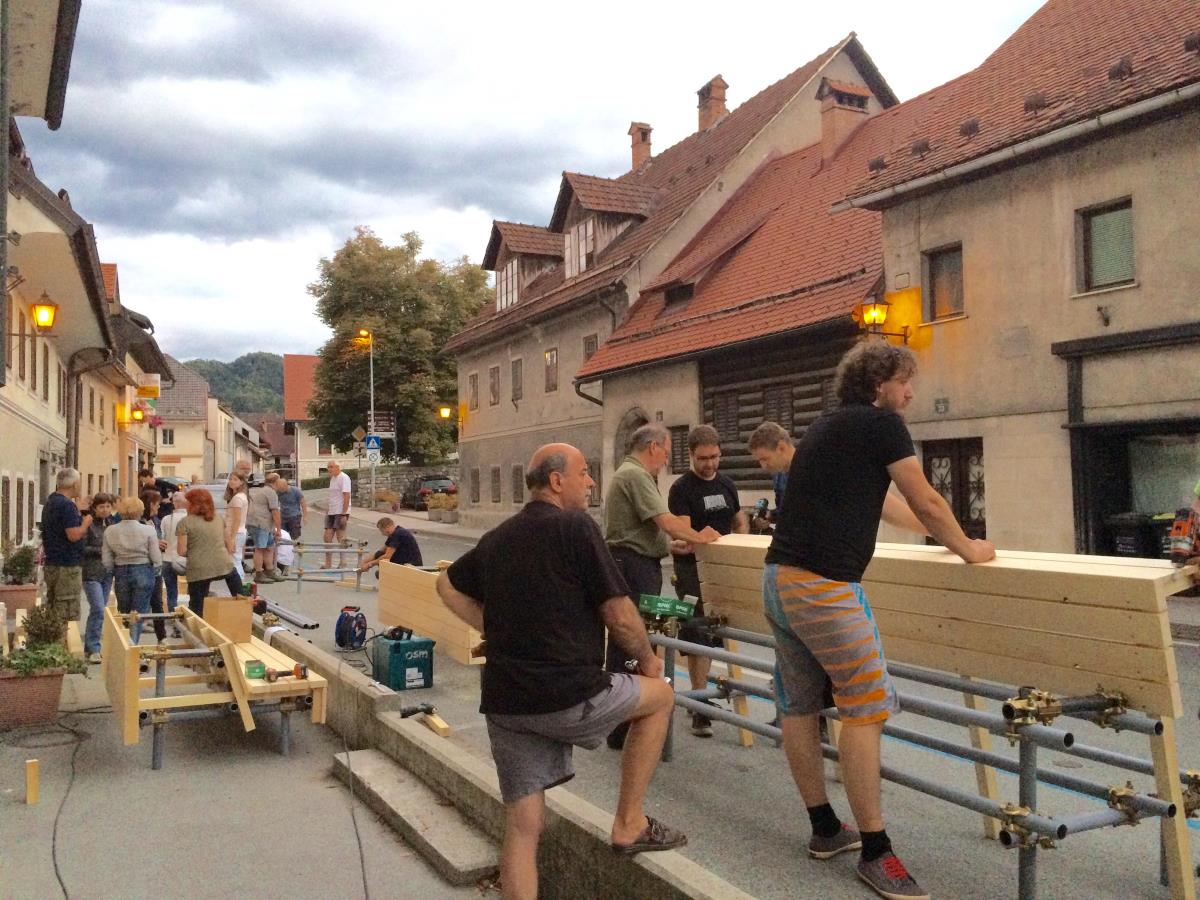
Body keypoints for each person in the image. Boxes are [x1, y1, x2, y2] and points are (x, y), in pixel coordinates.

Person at [764, 341, 995, 900]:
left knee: (799, 706)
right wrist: (968, 547)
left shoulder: (826, 427)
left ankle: (825, 829)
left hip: (780, 580)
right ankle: (876, 852)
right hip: (824, 587)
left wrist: (932, 534)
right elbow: (927, 499)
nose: (910, 393)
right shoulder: (881, 425)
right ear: (878, 385)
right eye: (904, 381)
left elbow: (887, 504)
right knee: (865, 709)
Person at [437, 444, 685, 900]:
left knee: (523, 826)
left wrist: (491, 626)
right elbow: (619, 614)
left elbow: (445, 583)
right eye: (584, 473)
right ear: (556, 481)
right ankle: (630, 822)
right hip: (567, 694)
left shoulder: (499, 537)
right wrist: (650, 664)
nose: (590, 483)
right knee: (662, 698)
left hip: (506, 705)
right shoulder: (576, 526)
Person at [602, 422, 721, 749]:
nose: (666, 460)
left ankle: (623, 723)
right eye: (666, 452)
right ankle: (623, 726)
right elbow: (665, 521)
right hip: (634, 568)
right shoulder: (635, 475)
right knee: (633, 642)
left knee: (634, 642)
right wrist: (699, 537)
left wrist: (670, 547)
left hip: (635, 563)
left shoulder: (631, 473)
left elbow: (639, 532)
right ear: (653, 447)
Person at [667, 425, 748, 736]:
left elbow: (739, 519)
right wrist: (697, 540)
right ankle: (699, 705)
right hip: (691, 570)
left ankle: (701, 700)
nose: (710, 464)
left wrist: (741, 544)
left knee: (716, 632)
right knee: (697, 633)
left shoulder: (727, 484)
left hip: (722, 568)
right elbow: (684, 535)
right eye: (703, 458)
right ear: (691, 455)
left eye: (714, 457)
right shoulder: (682, 489)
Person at [102, 495, 162, 645]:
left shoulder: (110, 531)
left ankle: (126, 642)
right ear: (140, 511)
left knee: (125, 611)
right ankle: (133, 644)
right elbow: (155, 556)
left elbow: (107, 559)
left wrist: (112, 570)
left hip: (121, 570)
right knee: (138, 613)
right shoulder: (148, 530)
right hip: (143, 569)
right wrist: (157, 569)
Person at [41, 467, 93, 638]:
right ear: (74, 484)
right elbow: (73, 535)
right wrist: (85, 524)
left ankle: (52, 643)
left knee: (53, 606)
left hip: (52, 563)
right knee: (65, 610)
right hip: (67, 566)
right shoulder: (67, 505)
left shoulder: (51, 501)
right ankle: (61, 645)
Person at [177, 487, 243, 614]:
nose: (185, 504)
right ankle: (245, 607)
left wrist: (198, 551)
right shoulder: (218, 518)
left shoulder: (184, 523)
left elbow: (181, 551)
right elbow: (230, 546)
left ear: (193, 504)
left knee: (197, 608)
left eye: (187, 502)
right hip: (223, 564)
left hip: (198, 569)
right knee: (238, 590)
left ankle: (199, 621)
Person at [80, 492, 117, 663]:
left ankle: (90, 647)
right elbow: (82, 548)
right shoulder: (88, 524)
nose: (105, 510)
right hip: (91, 573)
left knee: (99, 610)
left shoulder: (112, 523)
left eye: (108, 506)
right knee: (98, 609)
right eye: (101, 507)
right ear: (94, 508)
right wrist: (102, 550)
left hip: (107, 572)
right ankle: (94, 647)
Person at [748, 420, 795, 517]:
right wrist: (769, 516)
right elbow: (784, 511)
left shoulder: (812, 470)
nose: (763, 466)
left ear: (781, 448)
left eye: (765, 459)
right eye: (760, 460)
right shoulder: (778, 474)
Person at [140, 489, 169, 642]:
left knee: (157, 602)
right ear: (150, 504)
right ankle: (133, 637)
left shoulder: (155, 521)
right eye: (157, 504)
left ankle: (161, 636)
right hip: (143, 566)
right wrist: (156, 543)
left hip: (156, 567)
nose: (159, 507)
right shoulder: (139, 522)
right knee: (140, 602)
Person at [247, 475, 283, 583]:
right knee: (260, 548)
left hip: (263, 524)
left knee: (269, 547)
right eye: (279, 481)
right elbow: (275, 512)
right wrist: (278, 530)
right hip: (260, 523)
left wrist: (273, 529)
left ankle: (269, 571)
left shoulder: (264, 490)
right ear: (275, 482)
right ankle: (258, 573)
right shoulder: (271, 492)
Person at [358, 517, 423, 577]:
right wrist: (363, 562)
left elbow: (387, 556)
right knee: (379, 554)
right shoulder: (394, 533)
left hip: (412, 566)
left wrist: (369, 565)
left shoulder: (398, 534)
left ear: (387, 527)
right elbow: (379, 551)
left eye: (381, 530)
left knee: (381, 573)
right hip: (403, 563)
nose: (382, 534)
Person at [160, 491, 189, 615]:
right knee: (192, 588)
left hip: (168, 559)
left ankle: (172, 615)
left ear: (174, 503)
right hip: (185, 559)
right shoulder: (190, 519)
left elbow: (162, 538)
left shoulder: (166, 519)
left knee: (171, 591)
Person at [323, 461, 352, 570]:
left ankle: (343, 562)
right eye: (328, 467)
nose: (329, 469)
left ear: (338, 467)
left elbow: (346, 495)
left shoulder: (344, 478)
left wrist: (344, 513)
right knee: (327, 537)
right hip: (332, 511)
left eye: (331, 467)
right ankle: (328, 563)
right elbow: (333, 496)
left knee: (340, 537)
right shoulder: (333, 479)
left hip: (340, 511)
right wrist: (328, 509)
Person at [224, 473, 249, 579]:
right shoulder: (239, 497)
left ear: (241, 482)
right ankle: (240, 583)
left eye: (235, 479)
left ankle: (239, 584)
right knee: (235, 559)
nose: (231, 481)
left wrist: (232, 538)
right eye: (230, 479)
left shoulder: (237, 498)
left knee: (234, 560)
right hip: (238, 532)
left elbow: (237, 519)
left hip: (236, 532)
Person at [273, 474, 307, 541]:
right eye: (280, 489)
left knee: (294, 536)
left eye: (282, 489)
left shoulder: (296, 491)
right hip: (283, 516)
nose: (281, 491)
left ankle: (294, 545)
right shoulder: (278, 492)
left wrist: (305, 516)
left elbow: (303, 503)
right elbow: (274, 504)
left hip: (295, 516)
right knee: (283, 534)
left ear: (286, 485)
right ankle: (286, 546)